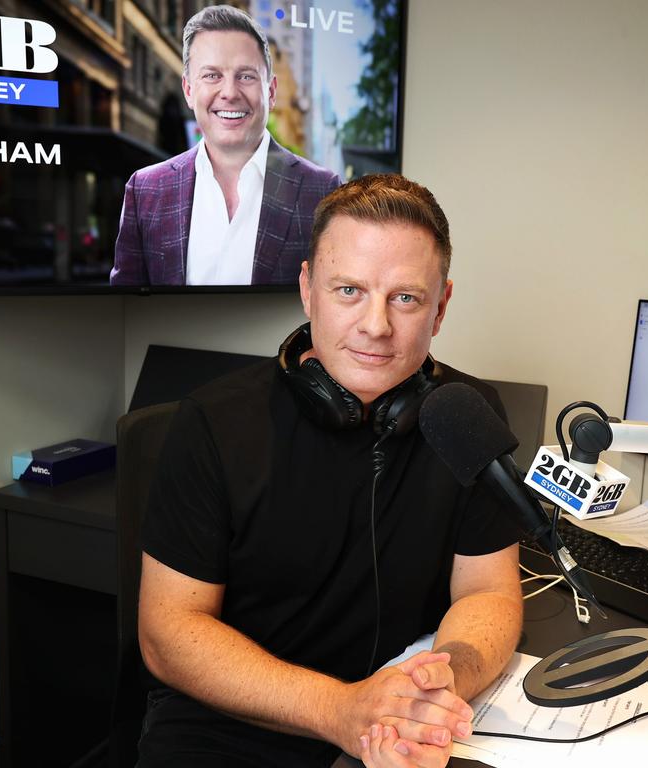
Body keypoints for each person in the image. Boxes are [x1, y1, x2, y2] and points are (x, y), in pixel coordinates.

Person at [137, 174, 524, 767]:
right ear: (307, 290)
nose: (375, 326)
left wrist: (446, 680)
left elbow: (488, 591)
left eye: (405, 298)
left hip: (397, 720)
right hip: (232, 725)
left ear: (441, 307)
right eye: (348, 290)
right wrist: (339, 709)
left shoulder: (467, 418)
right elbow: (168, 632)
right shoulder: (213, 422)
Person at [109, 5, 341, 287]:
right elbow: (125, 311)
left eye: (246, 76)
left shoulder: (323, 191)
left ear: (270, 91)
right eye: (211, 75)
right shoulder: (145, 191)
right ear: (189, 90)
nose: (230, 93)